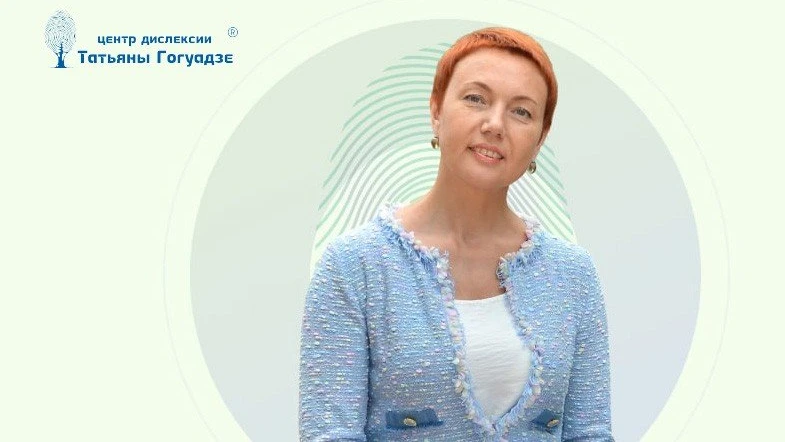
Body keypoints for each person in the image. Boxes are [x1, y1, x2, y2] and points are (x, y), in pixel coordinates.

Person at [299, 27, 613, 441]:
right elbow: (329, 434)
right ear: (436, 111)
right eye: (475, 99)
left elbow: (590, 433)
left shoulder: (572, 274)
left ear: (540, 138)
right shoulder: (354, 267)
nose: (494, 124)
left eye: (521, 111)